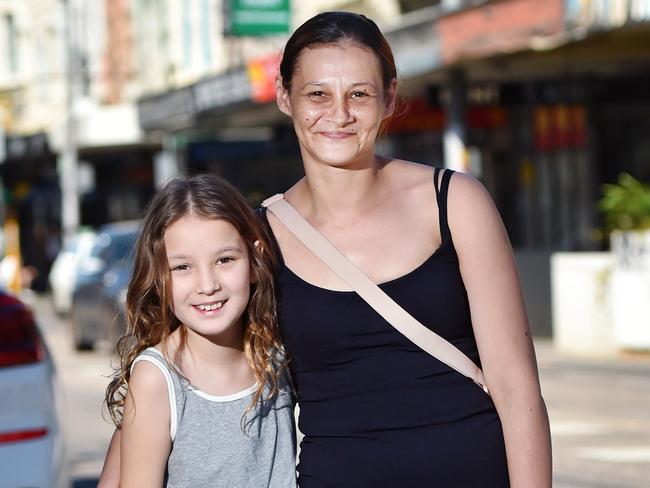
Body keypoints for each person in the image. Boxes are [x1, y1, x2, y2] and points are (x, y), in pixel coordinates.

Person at [100, 10, 551, 487]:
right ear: (284, 97)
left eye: (359, 94)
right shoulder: (259, 241)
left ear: (390, 98)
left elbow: (516, 387)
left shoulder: (455, 203)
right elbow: (176, 365)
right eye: (317, 94)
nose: (339, 114)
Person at [102, 174, 296, 487]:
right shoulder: (157, 379)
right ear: (158, 277)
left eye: (225, 260)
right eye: (182, 267)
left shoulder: (278, 352)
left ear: (255, 258)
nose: (207, 285)